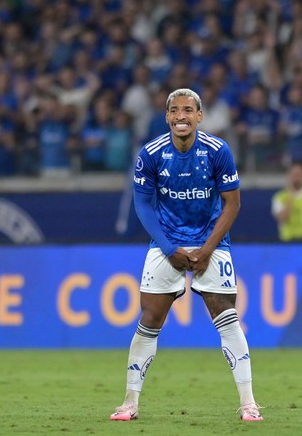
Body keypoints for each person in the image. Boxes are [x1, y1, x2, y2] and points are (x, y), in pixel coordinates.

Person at [110, 88, 263, 423]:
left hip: (211, 242)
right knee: (149, 319)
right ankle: (129, 403)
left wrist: (208, 249)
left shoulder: (217, 150)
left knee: (227, 316)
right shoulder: (150, 154)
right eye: (175, 110)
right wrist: (168, 247)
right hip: (166, 243)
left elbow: (233, 203)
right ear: (167, 116)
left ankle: (249, 403)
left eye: (188, 110)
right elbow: (143, 205)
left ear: (199, 116)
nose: (181, 116)